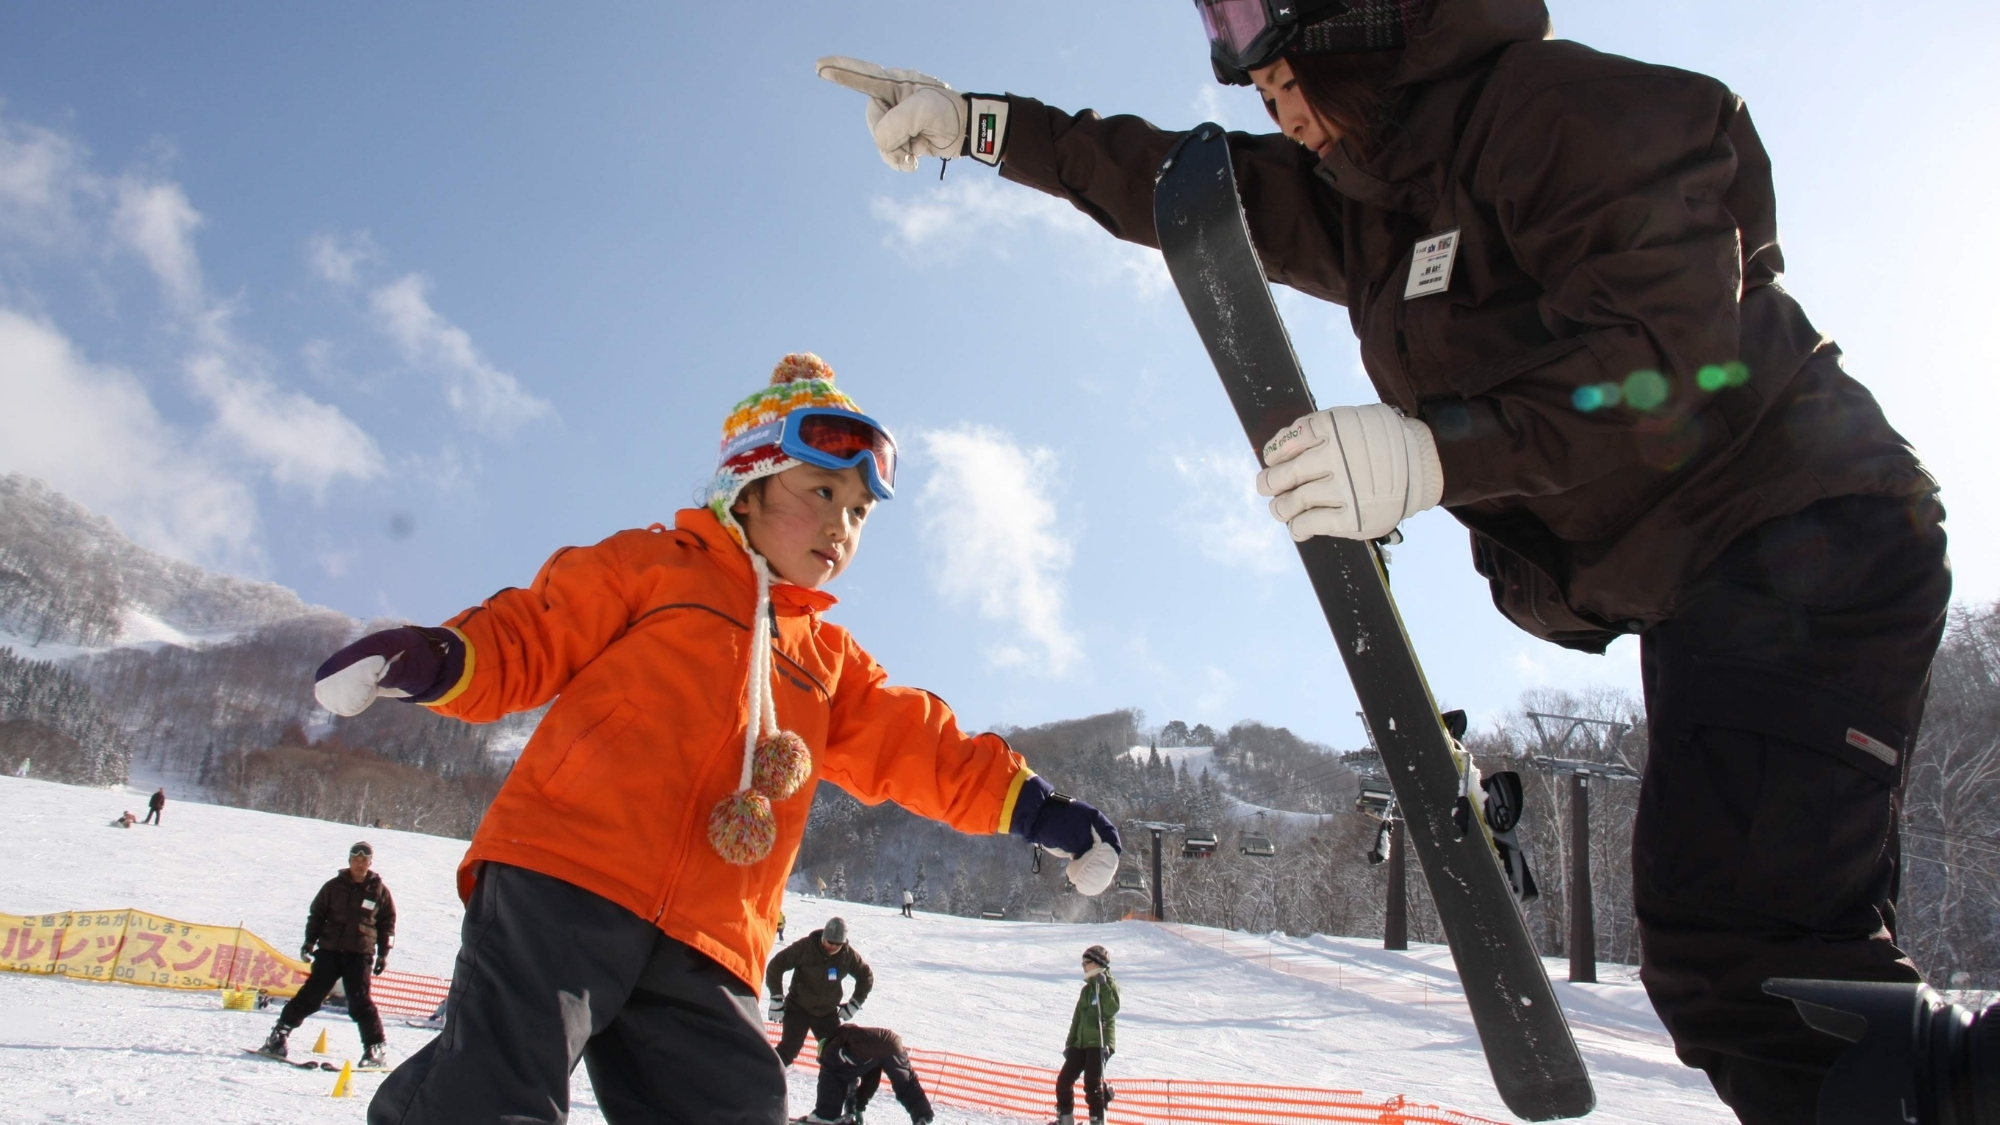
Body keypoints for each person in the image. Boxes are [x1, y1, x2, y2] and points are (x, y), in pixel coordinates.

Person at [821, 4, 1949, 1121]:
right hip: (1716, 575)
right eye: (1260, 100)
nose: (1283, 116)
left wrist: (1432, 452)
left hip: (1797, 533)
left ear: (1359, 25)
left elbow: (1668, 361)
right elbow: (1168, 183)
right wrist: (980, 125)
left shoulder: (1551, 114)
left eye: (1286, 84)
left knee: (1747, 956)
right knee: (1757, 965)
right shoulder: (1361, 201)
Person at [311, 354, 1124, 1125]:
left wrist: (1036, 807)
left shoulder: (829, 662)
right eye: (821, 491)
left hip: (715, 930)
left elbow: (921, 746)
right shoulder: (653, 569)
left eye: (860, 511)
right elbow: (533, 632)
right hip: (568, 875)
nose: (842, 524)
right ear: (750, 483)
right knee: (493, 1089)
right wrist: (434, 657)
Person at [260, 841, 395, 1069]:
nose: (360, 864)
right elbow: (317, 915)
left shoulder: (379, 891)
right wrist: (309, 941)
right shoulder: (333, 887)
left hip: (359, 953)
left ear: (370, 862)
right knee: (310, 996)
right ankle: (278, 1036)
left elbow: (387, 923)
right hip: (330, 950)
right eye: (356, 859)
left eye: (364, 860)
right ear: (349, 861)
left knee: (359, 1001)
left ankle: (375, 1049)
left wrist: (384, 954)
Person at [766, 916, 873, 1067]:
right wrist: (776, 998)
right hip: (798, 1008)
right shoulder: (805, 947)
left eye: (838, 944)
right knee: (788, 1051)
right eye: (830, 942)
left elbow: (865, 976)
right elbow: (776, 966)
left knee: (837, 1055)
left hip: (826, 1013)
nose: (833, 946)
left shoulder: (847, 955)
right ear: (823, 936)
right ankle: (762, 1079)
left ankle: (846, 1089)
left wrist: (854, 1004)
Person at [798, 1024, 934, 1125]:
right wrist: (858, 1108)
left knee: (831, 1074)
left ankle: (824, 1116)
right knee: (906, 1082)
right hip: (893, 1043)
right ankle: (922, 1117)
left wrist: (849, 1111)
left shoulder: (831, 1047)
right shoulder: (849, 1038)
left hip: (862, 1045)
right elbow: (871, 1081)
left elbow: (844, 1079)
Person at [1049, 945, 1118, 1125]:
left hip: (1099, 1042)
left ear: (1098, 964)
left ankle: (1097, 1121)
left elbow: (1111, 1009)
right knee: (1064, 1081)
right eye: (1083, 963)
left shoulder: (1108, 985)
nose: (1084, 966)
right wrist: (1070, 1044)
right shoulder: (1086, 990)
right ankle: (1065, 1119)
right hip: (1080, 1044)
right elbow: (1077, 1019)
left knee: (1091, 1083)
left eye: (1087, 963)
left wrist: (1102, 986)